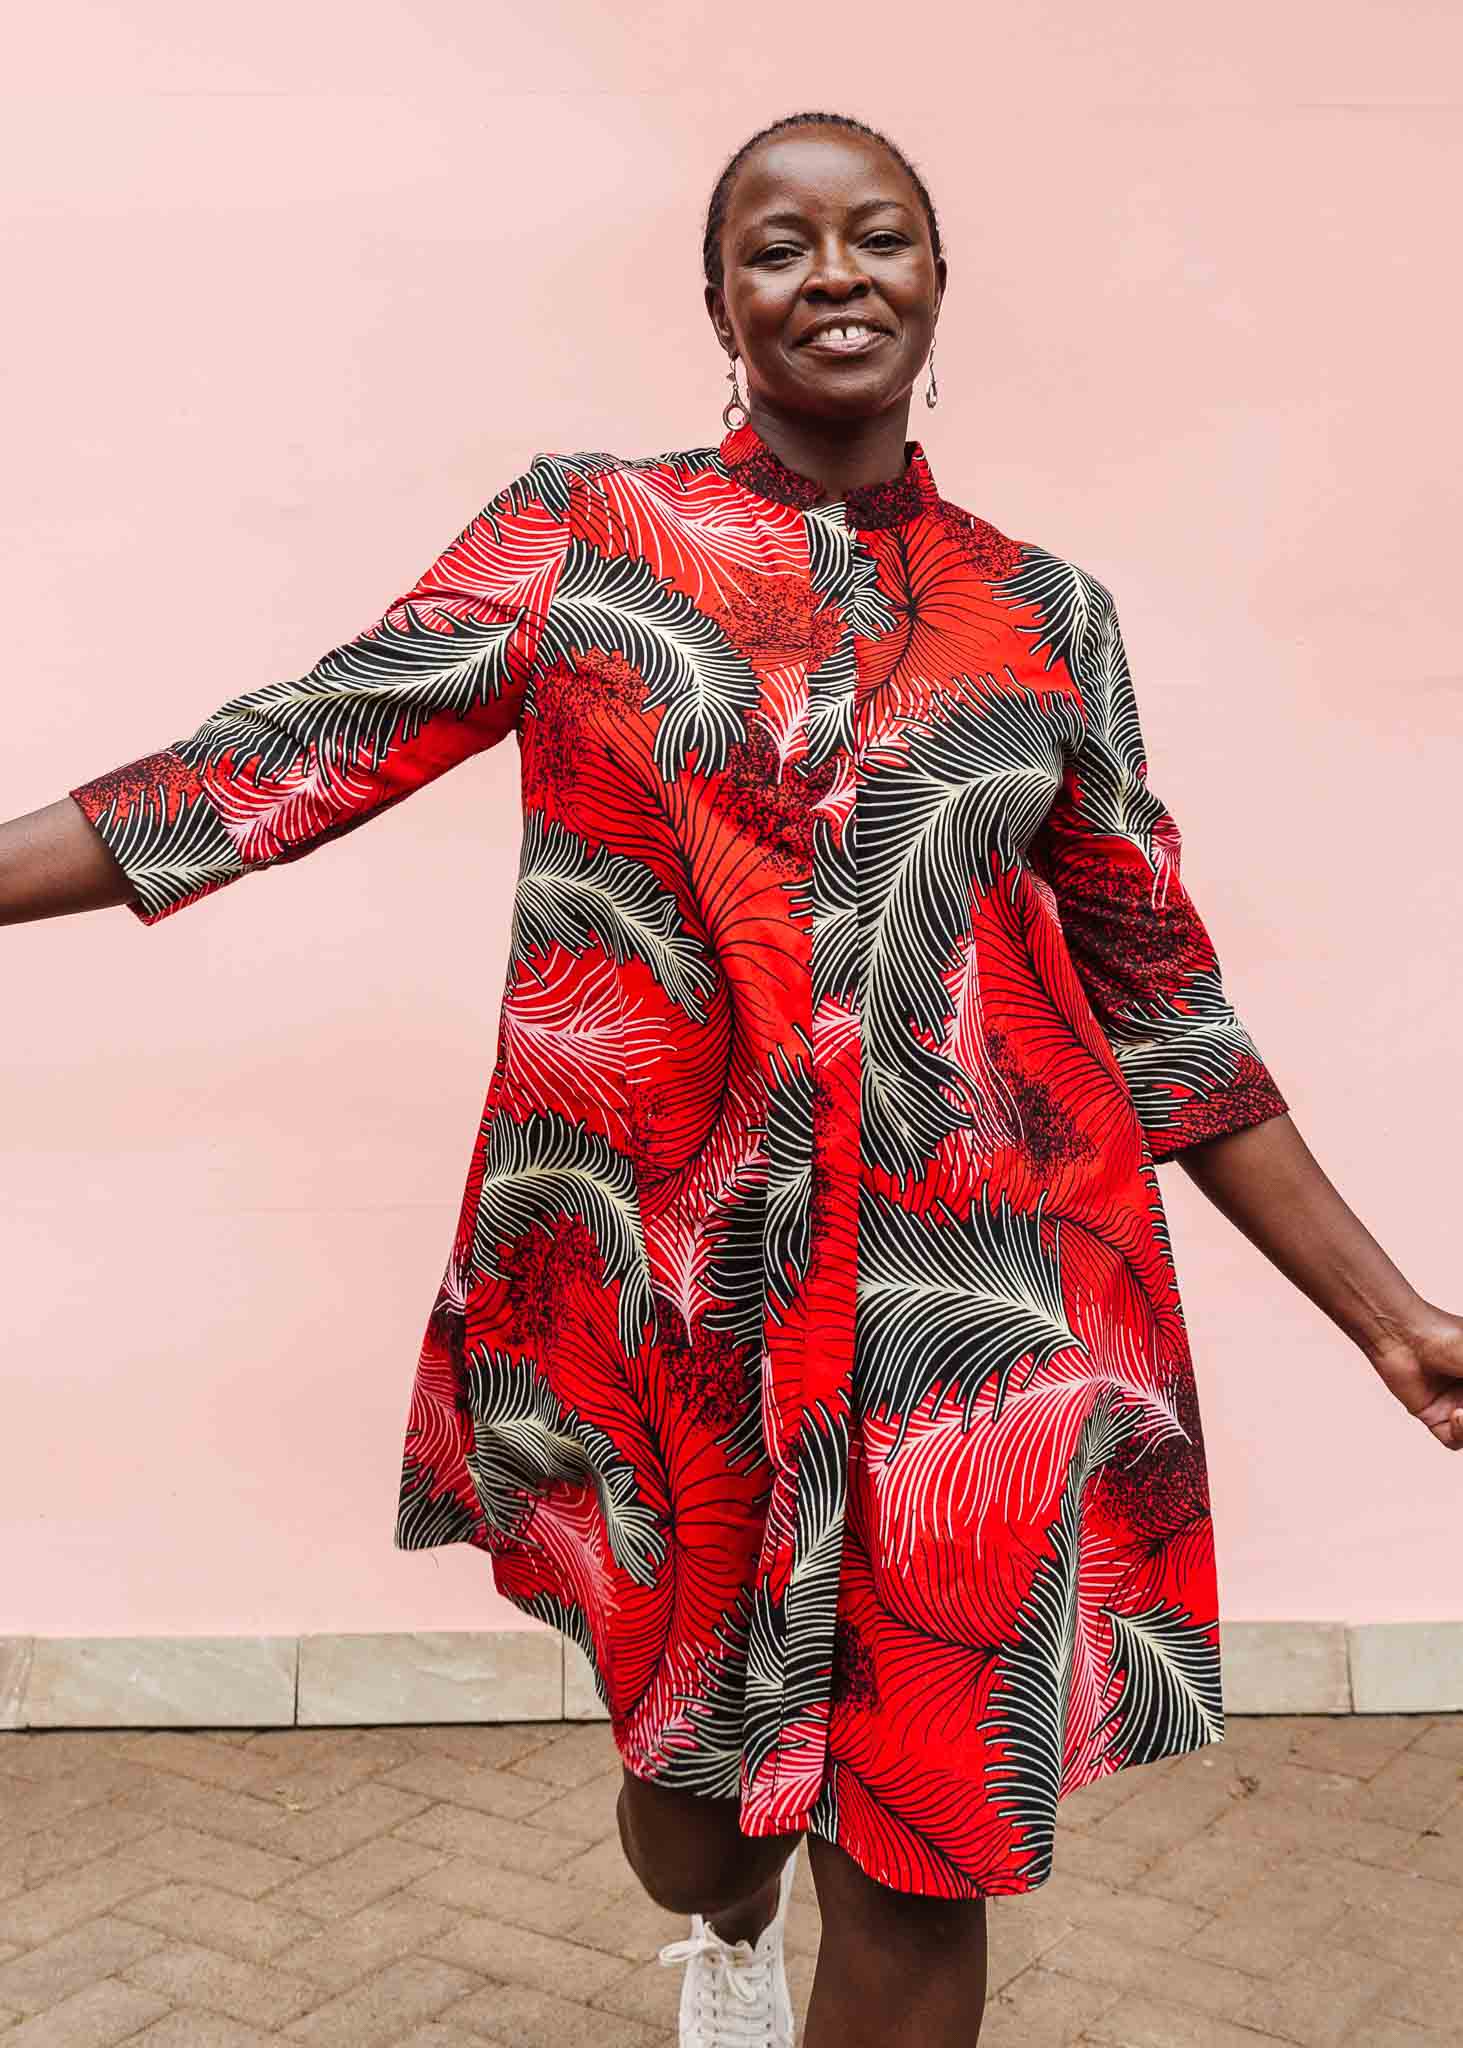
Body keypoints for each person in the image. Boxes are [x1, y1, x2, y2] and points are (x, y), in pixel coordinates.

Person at [5, 107, 1461, 2048]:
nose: (834, 273)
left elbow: (1169, 1014)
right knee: (697, 1815)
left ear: (938, 292)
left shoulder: (1048, 621)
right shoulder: (591, 541)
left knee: (927, 1860)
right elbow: (287, 752)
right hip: (689, 1316)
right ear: (721, 304)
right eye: (781, 246)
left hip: (974, 1334)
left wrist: (1394, 1319)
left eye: (880, 238)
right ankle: (724, 1912)